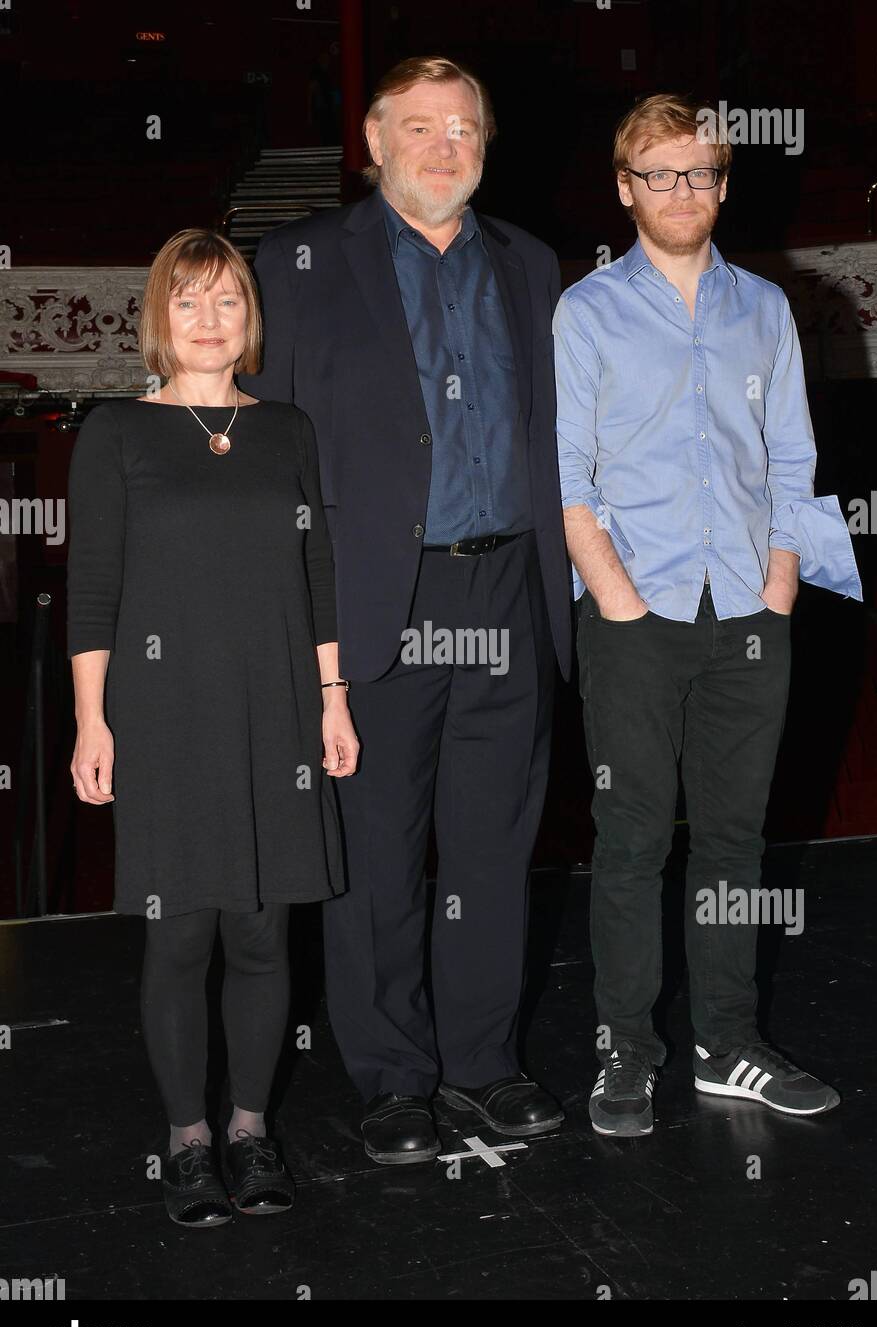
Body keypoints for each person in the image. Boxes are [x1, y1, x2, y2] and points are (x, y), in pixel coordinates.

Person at [239, 56, 574, 1163]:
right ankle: (391, 1075)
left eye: (464, 129)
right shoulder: (296, 265)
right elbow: (262, 445)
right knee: (379, 851)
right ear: (372, 141)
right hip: (380, 594)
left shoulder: (529, 264)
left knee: (492, 844)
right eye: (419, 127)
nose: (444, 148)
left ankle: (483, 1064)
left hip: (508, 586)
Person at [554, 94, 862, 1138]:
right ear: (625, 186)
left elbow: (791, 463)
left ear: (724, 185)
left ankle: (728, 1042)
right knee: (633, 839)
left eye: (699, 173)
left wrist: (777, 595)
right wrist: (623, 605)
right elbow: (570, 479)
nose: (680, 191)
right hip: (631, 614)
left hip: (746, 610)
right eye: (658, 173)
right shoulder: (586, 311)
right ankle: (625, 1051)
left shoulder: (767, 309)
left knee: (735, 839)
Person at [67, 228, 358, 1224]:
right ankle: (188, 1140)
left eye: (227, 300)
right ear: (159, 318)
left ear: (250, 319)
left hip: (277, 707)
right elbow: (94, 590)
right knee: (180, 932)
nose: (207, 318)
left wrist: (333, 696)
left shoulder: (288, 429)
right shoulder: (116, 431)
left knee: (264, 929)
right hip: (165, 714)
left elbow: (319, 571)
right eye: (187, 301)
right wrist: (90, 722)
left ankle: (249, 1129)